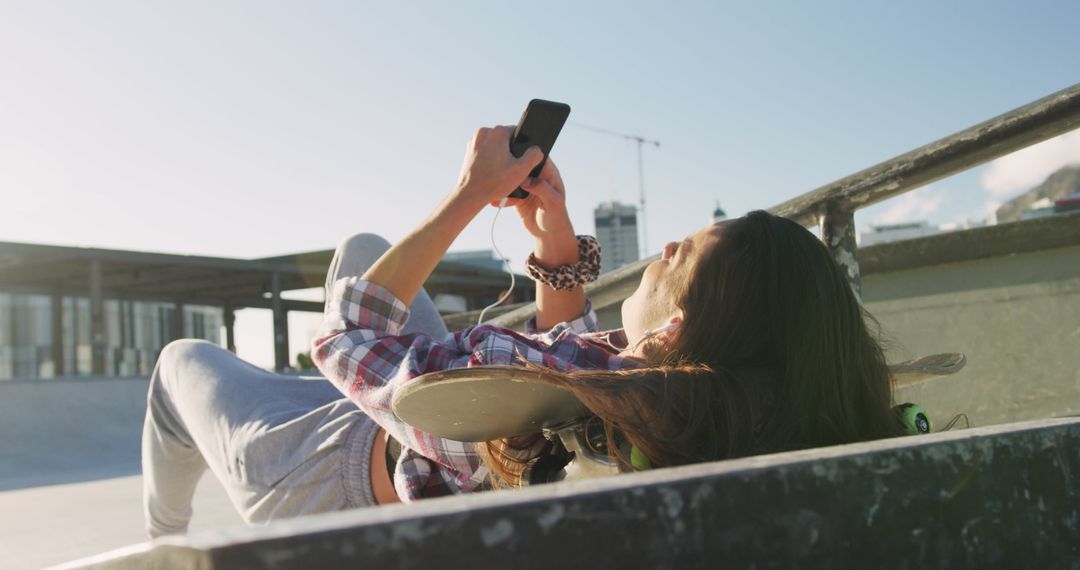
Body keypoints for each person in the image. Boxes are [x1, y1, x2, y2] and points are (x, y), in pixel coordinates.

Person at [142, 125, 904, 538]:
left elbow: (347, 331)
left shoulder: (519, 390)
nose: (662, 249)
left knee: (180, 363)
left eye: (675, 255)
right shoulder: (676, 403)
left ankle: (158, 540)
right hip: (409, 429)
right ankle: (329, 396)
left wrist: (473, 192)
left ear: (673, 326)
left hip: (318, 478)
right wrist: (557, 242)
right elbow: (576, 352)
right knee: (365, 252)